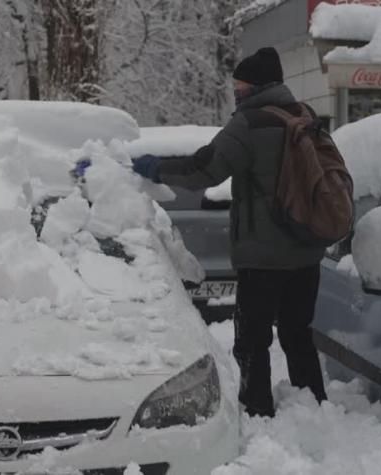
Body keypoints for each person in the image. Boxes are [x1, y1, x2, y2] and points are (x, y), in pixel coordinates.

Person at [131, 47, 328, 418]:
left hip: (263, 256)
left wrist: (155, 168)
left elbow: (202, 170)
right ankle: (315, 408)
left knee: (252, 339)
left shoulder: (248, 124)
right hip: (306, 249)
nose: (236, 91)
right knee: (297, 333)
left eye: (240, 85)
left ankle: (257, 409)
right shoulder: (304, 115)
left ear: (255, 86)